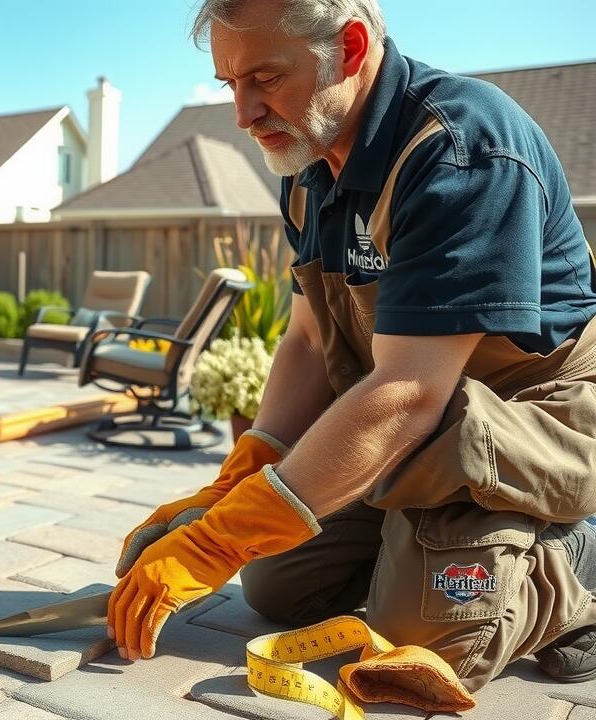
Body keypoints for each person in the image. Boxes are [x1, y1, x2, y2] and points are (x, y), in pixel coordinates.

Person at [110, 0, 596, 696]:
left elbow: (406, 396)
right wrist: (242, 478)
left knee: (429, 637)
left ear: (352, 46)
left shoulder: (460, 152)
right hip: (428, 425)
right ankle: (428, 552)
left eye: (266, 79)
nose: (244, 112)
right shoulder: (310, 165)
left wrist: (218, 539)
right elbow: (310, 340)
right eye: (229, 84)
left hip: (528, 421)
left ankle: (577, 557)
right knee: (279, 582)